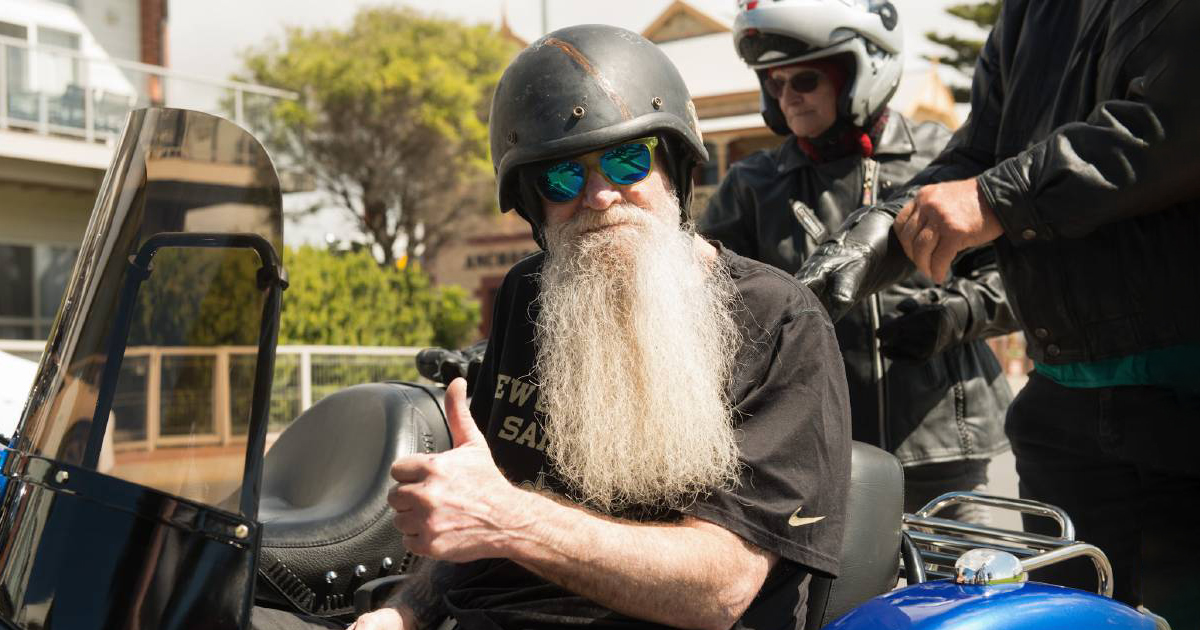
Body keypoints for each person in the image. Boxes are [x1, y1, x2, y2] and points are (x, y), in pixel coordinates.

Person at [348, 24, 851, 630]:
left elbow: (720, 590)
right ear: (534, 202)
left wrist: (514, 519)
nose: (599, 195)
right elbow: (478, 518)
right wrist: (403, 612)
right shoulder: (529, 295)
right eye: (561, 178)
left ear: (673, 168)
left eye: (625, 159)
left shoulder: (780, 322)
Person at [796, 0, 1200, 624]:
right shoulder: (1030, 13)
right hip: (1063, 396)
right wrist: (879, 231)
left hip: (1181, 383)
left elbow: (1171, 123)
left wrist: (991, 201)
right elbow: (980, 149)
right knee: (1065, 615)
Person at [700, 0, 1017, 521]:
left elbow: (1010, 277)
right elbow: (715, 301)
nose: (788, 97)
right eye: (775, 85)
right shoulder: (752, 185)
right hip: (826, 450)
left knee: (961, 592)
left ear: (855, 74)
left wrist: (952, 316)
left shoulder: (944, 158)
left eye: (804, 80)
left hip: (942, 443)